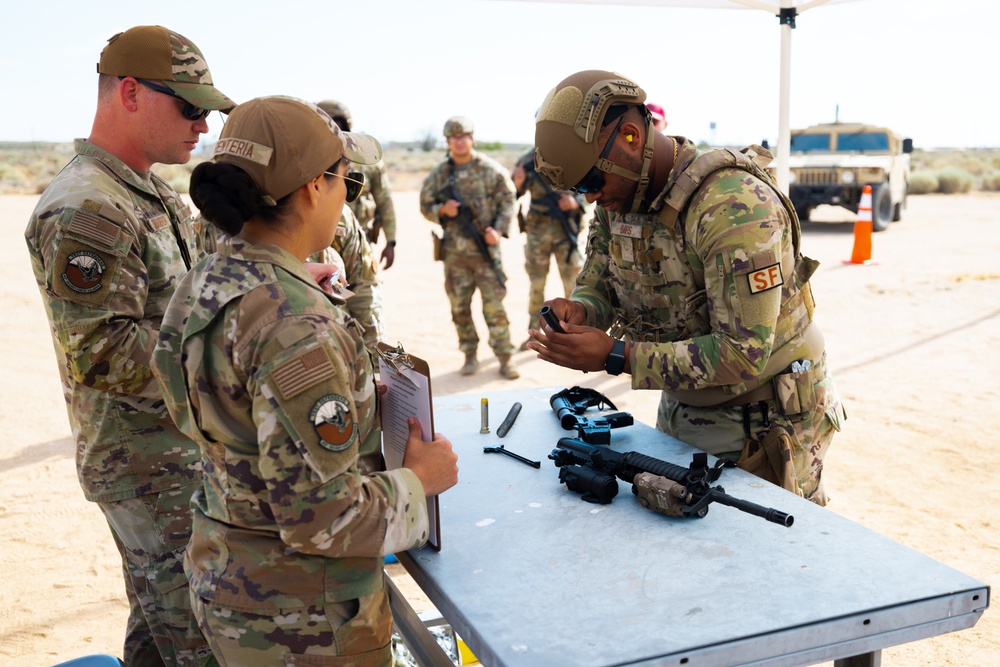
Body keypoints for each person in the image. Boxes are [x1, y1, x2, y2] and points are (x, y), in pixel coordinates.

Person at [151, 96, 459, 665]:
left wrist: (350, 396)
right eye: (348, 182)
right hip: (303, 621)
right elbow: (325, 519)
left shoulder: (205, 281)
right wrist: (421, 480)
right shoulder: (296, 324)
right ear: (315, 187)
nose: (348, 196)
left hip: (227, 577)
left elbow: (203, 407)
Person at [528, 70, 845, 505]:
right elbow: (599, 287)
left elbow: (741, 353)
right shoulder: (620, 199)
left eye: (590, 182)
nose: (590, 199)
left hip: (767, 420)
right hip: (685, 406)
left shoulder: (733, 207)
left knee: (767, 559)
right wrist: (582, 310)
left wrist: (615, 355)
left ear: (631, 136)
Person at [23, 25, 234, 666]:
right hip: (146, 466)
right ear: (133, 93)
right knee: (199, 640)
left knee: (157, 632)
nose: (202, 125)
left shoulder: (146, 189)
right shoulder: (88, 206)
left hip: (172, 451)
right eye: (190, 106)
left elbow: (189, 289)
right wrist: (230, 355)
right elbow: (102, 352)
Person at [420, 116, 520, 379]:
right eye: (454, 138)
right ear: (448, 142)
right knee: (460, 309)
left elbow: (509, 199)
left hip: (486, 255)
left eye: (463, 136)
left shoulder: (490, 170)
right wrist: (441, 210)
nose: (459, 141)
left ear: (472, 138)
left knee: (495, 309)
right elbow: (424, 204)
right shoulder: (440, 174)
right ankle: (469, 355)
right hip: (455, 256)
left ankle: (505, 358)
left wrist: (498, 230)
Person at [511, 149, 589, 351]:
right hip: (538, 234)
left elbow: (589, 189)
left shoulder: (573, 154)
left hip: (566, 232)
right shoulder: (528, 161)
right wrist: (518, 182)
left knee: (573, 285)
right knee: (536, 285)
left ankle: (575, 334)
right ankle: (534, 332)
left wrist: (575, 202)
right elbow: (512, 194)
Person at [317, 99, 399, 270]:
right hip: (318, 248)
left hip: (360, 245)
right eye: (330, 127)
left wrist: (391, 242)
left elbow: (385, 202)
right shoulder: (307, 164)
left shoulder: (369, 164)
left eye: (341, 129)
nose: (337, 133)